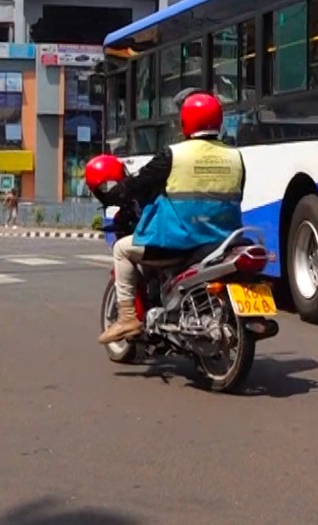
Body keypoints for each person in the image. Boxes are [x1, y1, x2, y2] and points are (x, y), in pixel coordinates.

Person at [89, 91, 246, 345]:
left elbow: (138, 183)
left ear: (185, 122)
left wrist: (115, 195)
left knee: (121, 249)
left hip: (178, 242)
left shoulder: (174, 155)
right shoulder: (235, 156)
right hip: (223, 240)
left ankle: (127, 317)